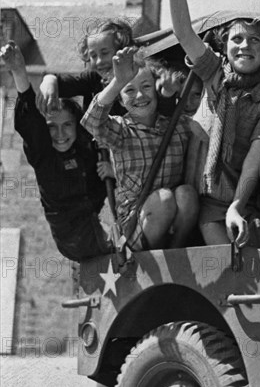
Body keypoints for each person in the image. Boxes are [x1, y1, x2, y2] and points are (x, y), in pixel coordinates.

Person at [154, 0, 260, 247]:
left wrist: (238, 205)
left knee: (254, 262)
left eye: (255, 40)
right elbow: (184, 33)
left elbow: (255, 159)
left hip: (245, 196)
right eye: (237, 39)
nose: (245, 46)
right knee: (223, 263)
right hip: (208, 200)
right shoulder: (215, 73)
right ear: (224, 48)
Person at [0, 41, 112, 262]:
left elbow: (98, 102)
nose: (60, 134)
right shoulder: (44, 156)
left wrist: (113, 171)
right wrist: (19, 72)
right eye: (52, 127)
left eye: (67, 125)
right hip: (76, 238)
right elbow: (31, 122)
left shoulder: (86, 146)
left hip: (104, 222)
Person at [81, 46, 199, 250]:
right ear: (120, 98)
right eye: (129, 90)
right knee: (164, 199)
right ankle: (148, 254)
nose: (139, 96)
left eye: (146, 86)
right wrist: (118, 81)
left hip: (173, 223)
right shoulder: (121, 130)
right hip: (135, 222)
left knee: (186, 194)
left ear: (156, 89)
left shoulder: (177, 125)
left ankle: (175, 252)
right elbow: (92, 122)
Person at [36, 19, 136, 116]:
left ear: (121, 49)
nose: (99, 61)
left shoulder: (138, 78)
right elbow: (64, 83)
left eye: (105, 53)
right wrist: (50, 80)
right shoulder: (93, 78)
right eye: (93, 55)